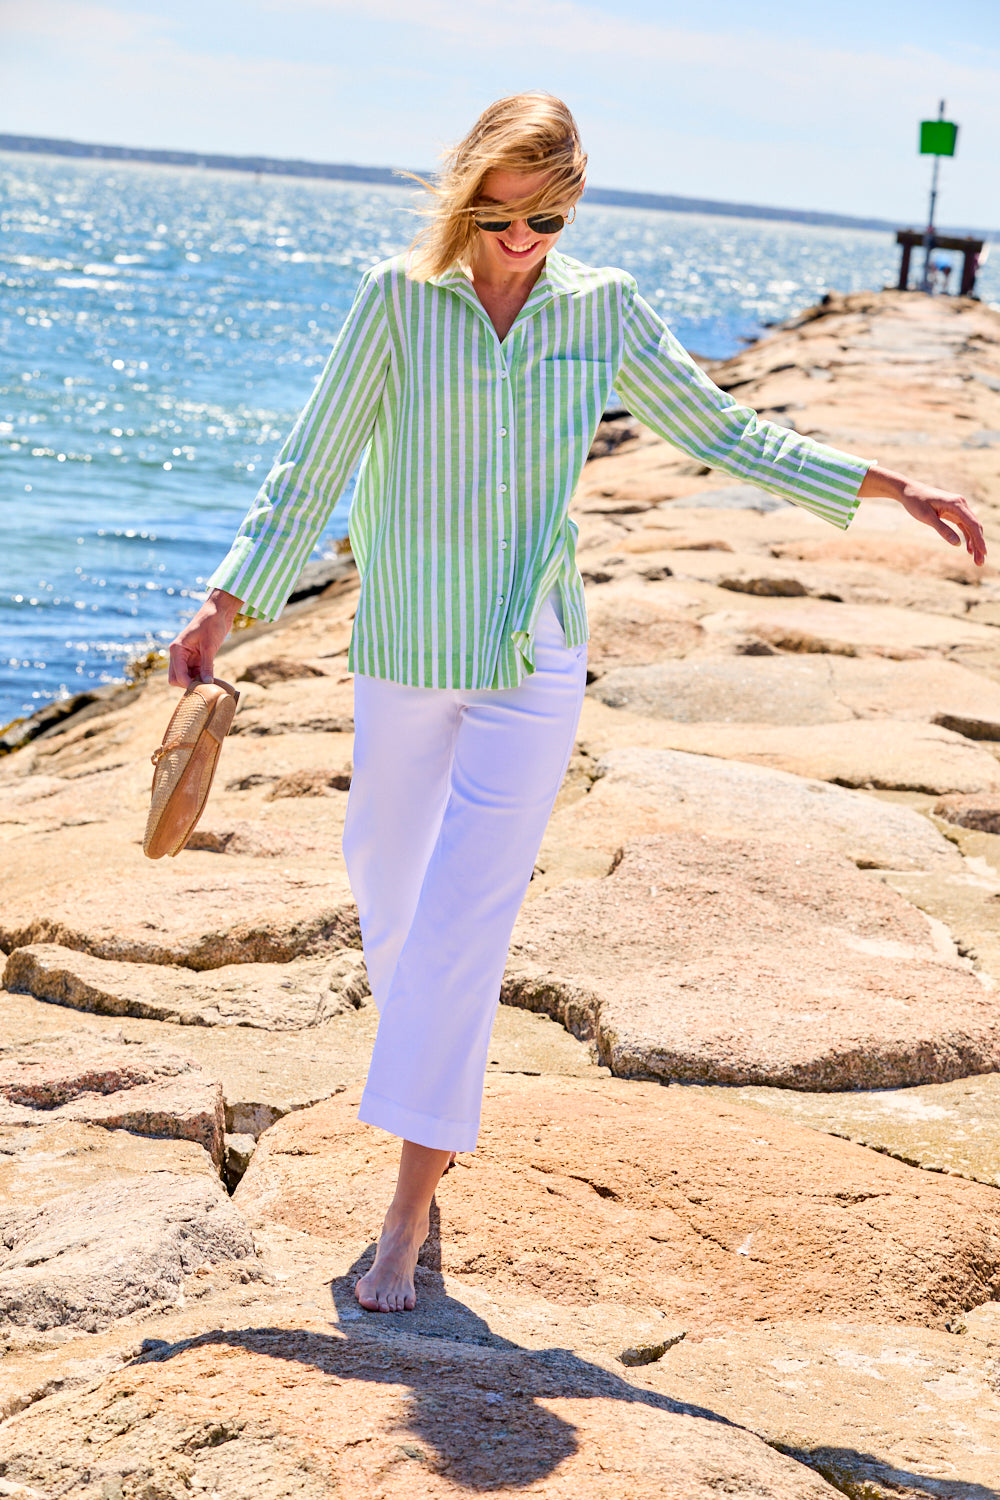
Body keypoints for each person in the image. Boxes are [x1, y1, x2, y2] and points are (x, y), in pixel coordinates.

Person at [168, 92, 987, 1315]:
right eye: (500, 215)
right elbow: (313, 462)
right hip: (403, 648)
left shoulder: (599, 311)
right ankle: (431, 1117)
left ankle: (403, 1209)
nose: (522, 240)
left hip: (530, 654)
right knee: (389, 904)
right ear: (464, 199)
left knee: (459, 923)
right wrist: (225, 604)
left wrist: (888, 485)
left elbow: (723, 433)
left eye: (547, 216)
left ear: (573, 204)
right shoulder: (397, 303)